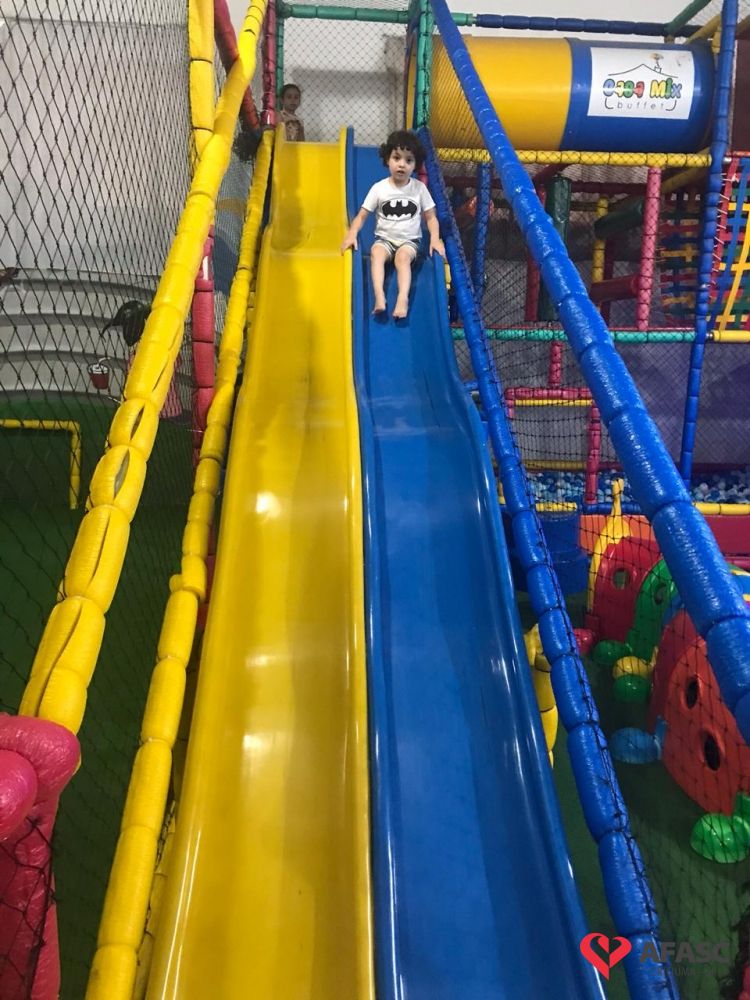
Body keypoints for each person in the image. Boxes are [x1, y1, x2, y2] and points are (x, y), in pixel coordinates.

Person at [341, 129, 444, 319]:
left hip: (409, 241)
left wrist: (435, 239)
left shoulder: (419, 189)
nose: (402, 164)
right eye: (397, 158)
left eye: (409, 160)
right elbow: (361, 216)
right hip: (385, 239)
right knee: (376, 253)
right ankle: (379, 296)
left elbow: (431, 217)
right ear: (387, 159)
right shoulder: (379, 188)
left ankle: (402, 298)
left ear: (415, 165)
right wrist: (352, 233)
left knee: (402, 259)